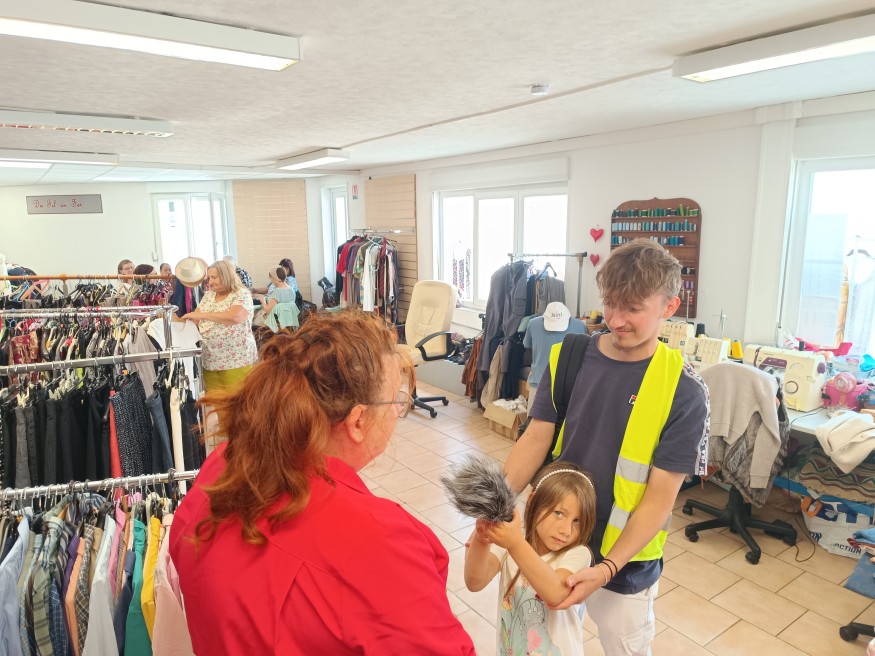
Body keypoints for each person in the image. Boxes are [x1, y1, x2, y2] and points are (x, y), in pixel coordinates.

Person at [169, 312, 476, 654]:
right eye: (396, 401)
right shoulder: (378, 544)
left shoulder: (223, 464)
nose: (396, 412)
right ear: (358, 421)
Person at [504, 239, 709, 656]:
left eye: (632, 308)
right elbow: (537, 437)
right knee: (551, 642)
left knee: (623, 647)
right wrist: (496, 505)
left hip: (625, 561)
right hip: (557, 536)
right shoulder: (569, 356)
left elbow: (660, 497)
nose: (615, 320)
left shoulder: (684, 392)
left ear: (669, 307)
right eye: (610, 304)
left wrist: (607, 568)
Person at [464, 461, 597, 655]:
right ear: (533, 501)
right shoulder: (511, 542)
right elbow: (474, 583)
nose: (566, 530)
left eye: (577, 521)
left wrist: (516, 544)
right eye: (559, 513)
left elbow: (556, 593)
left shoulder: (578, 553)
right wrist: (481, 540)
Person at [180, 260, 257, 392]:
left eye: (214, 277)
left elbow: (236, 317)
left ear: (226, 275)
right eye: (209, 278)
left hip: (236, 359)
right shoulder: (208, 296)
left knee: (238, 400)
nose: (210, 282)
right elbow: (195, 319)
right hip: (210, 360)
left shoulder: (241, 294)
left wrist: (203, 315)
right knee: (216, 400)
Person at [523, 301, 587, 403]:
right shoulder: (533, 324)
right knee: (535, 412)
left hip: (567, 386)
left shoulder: (579, 325)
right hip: (540, 383)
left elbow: (528, 347)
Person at [253, 267, 299, 332]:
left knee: (250, 320)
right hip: (287, 320)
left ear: (274, 278)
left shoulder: (277, 292)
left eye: (271, 278)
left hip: (274, 322)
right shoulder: (291, 289)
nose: (271, 281)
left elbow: (268, 310)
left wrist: (263, 301)